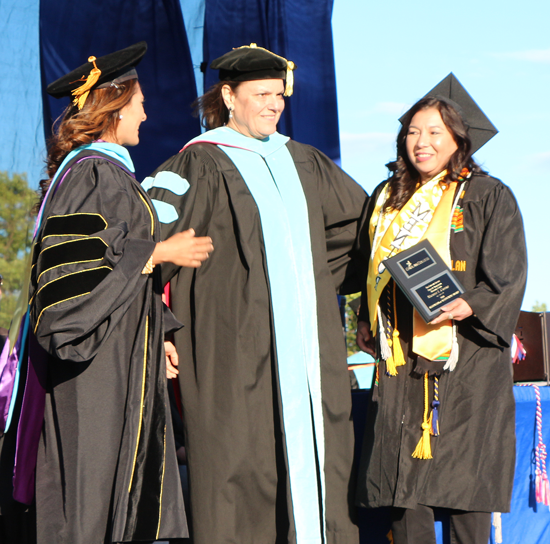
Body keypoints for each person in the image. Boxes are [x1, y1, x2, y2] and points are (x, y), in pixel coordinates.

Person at [146, 44, 367, 544]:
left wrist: (303, 277)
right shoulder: (194, 166)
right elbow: (147, 250)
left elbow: (358, 235)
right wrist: (159, 330)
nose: (273, 105)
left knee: (322, 465)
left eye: (279, 96)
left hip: (310, 355)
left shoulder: (304, 161)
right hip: (232, 351)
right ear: (228, 95)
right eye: (261, 94)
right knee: (237, 464)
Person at [0, 42, 214, 544]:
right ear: (114, 108)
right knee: (89, 502)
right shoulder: (93, 173)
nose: (145, 112)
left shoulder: (103, 173)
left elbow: (109, 268)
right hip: (92, 376)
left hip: (117, 362)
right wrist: (157, 254)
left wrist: (154, 333)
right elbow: (73, 284)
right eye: (138, 102)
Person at [355, 74, 527, 544]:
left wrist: (465, 305)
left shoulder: (488, 195)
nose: (421, 142)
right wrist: (365, 320)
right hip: (400, 367)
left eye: (434, 132)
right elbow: (363, 270)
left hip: (464, 365)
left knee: (463, 497)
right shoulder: (387, 198)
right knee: (403, 499)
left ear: (458, 139)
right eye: (413, 131)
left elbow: (508, 277)